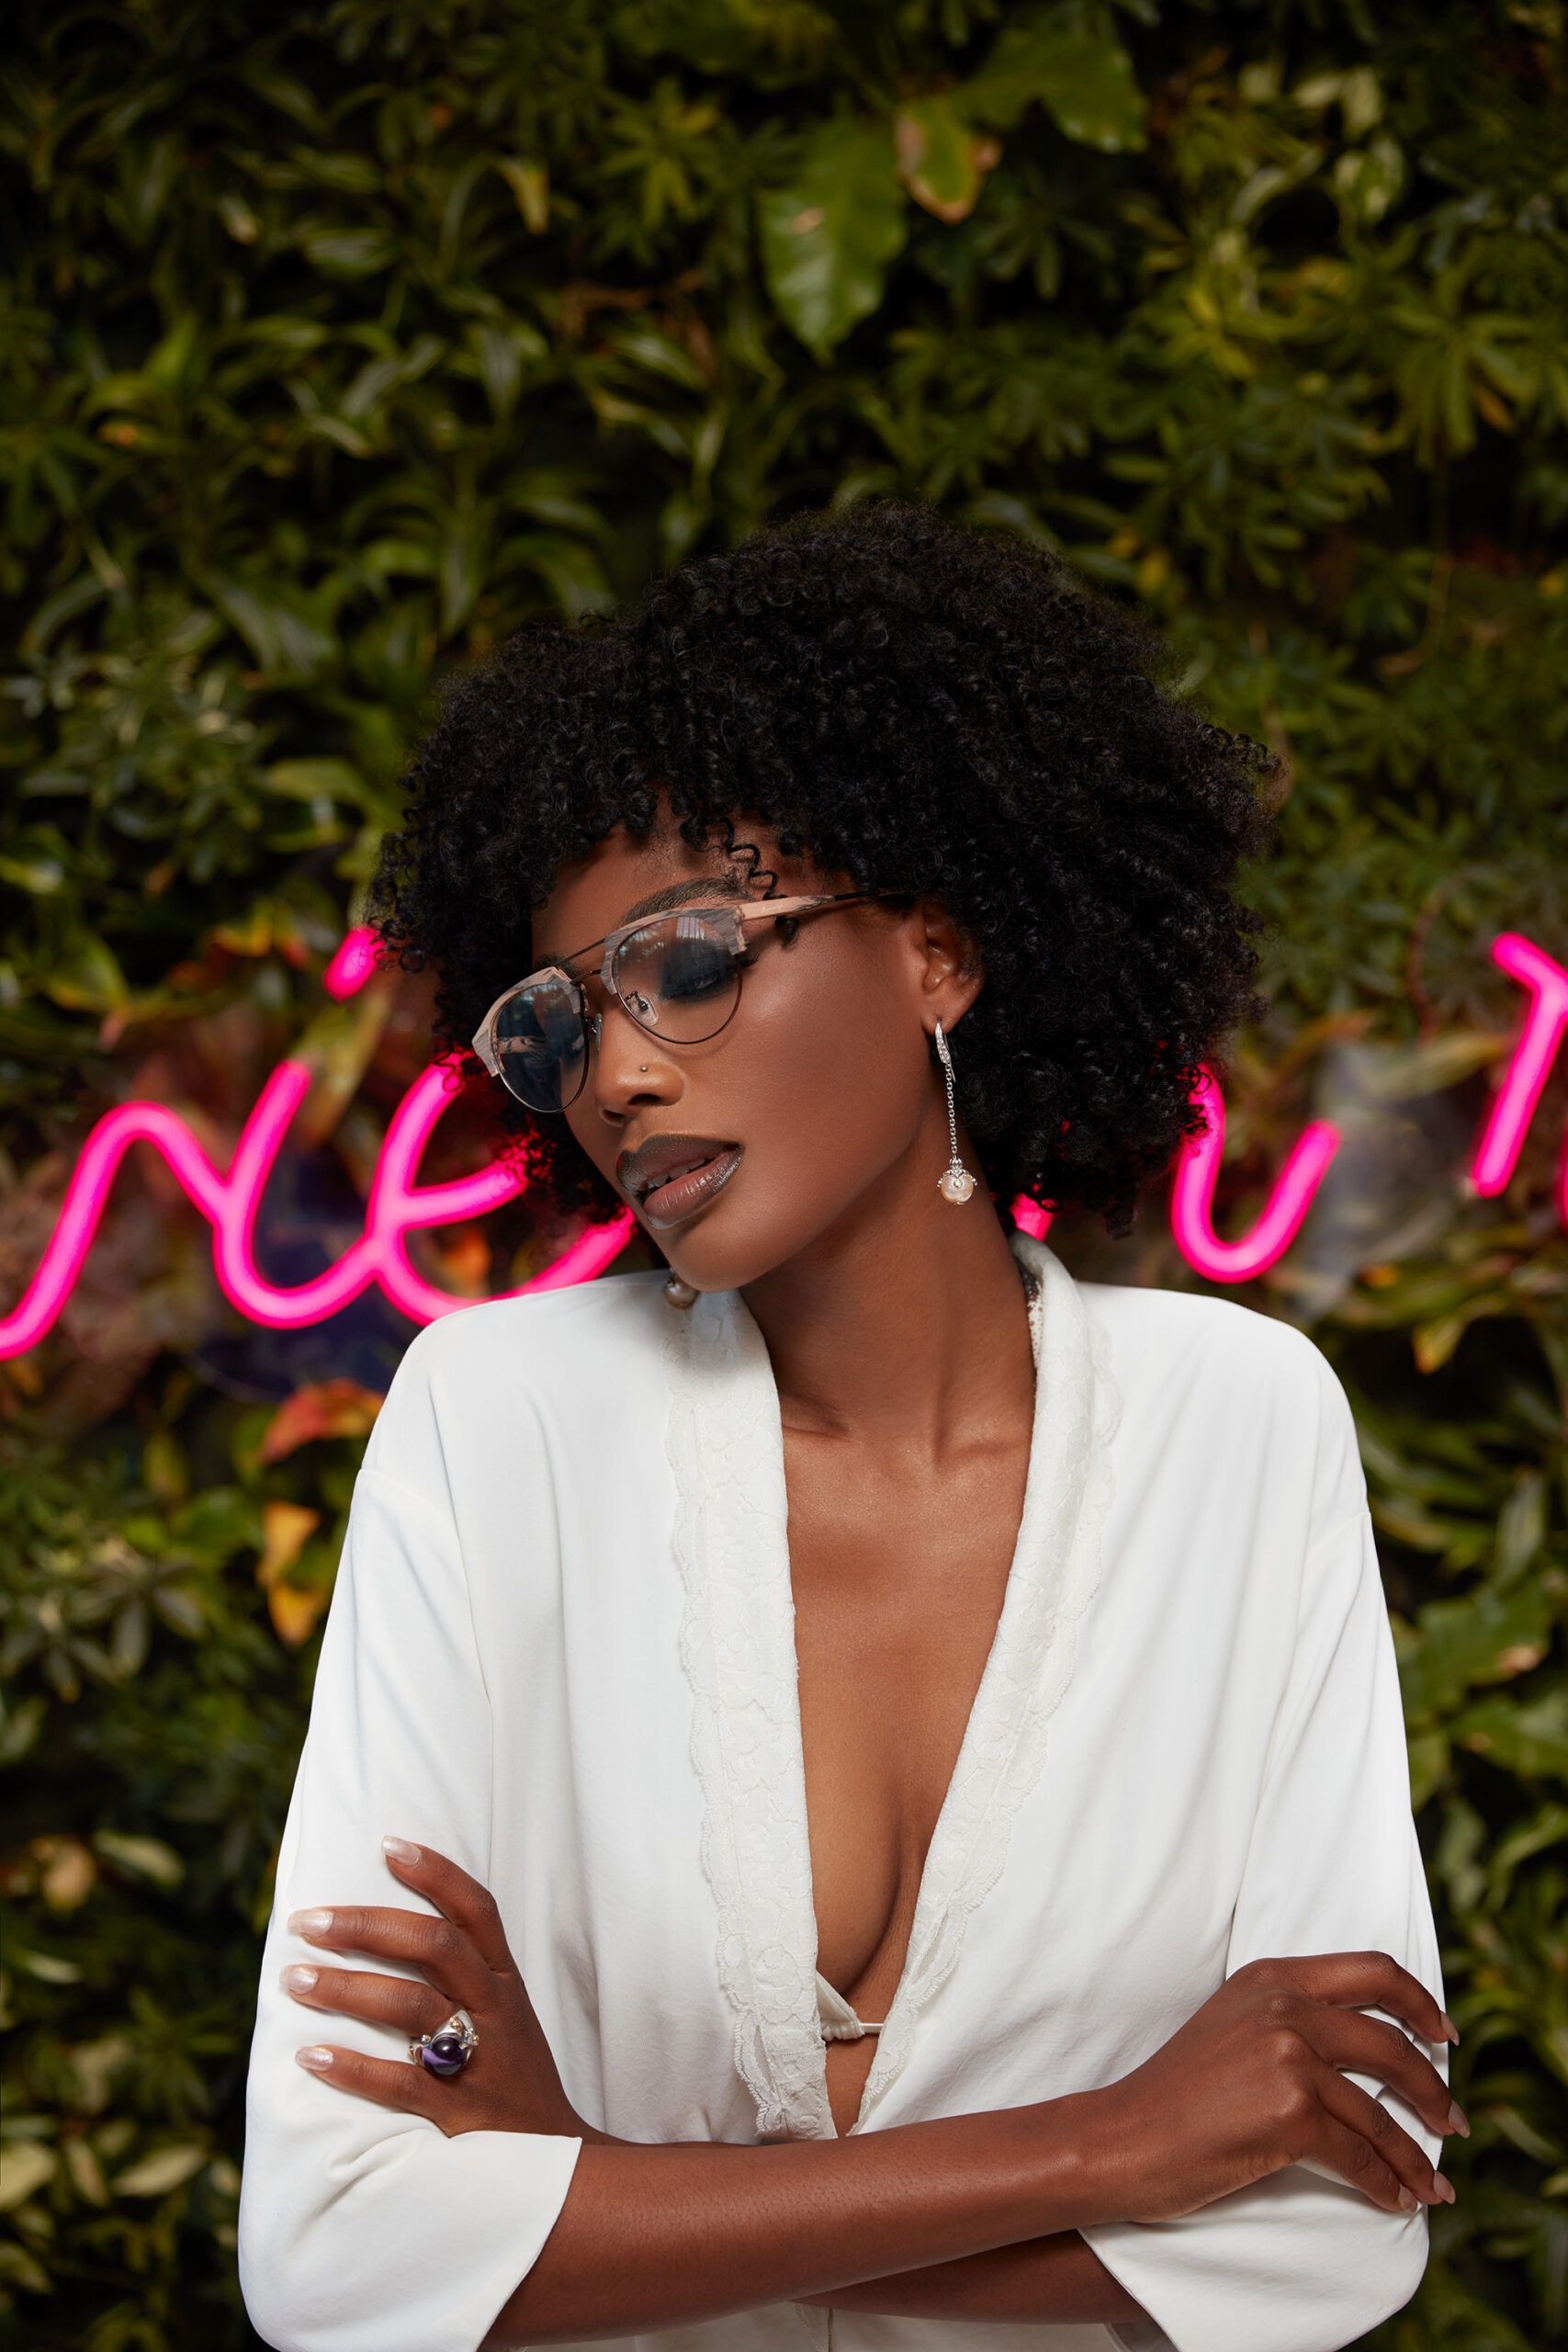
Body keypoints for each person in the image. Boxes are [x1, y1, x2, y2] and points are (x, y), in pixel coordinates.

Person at [236, 500, 1461, 2352]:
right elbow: (335, 2249)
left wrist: (588, 2181)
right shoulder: (500, 1429)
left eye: (689, 962)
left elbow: (1333, 2230)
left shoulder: (1239, 1426)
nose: (616, 1072)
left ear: (937, 952)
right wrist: (1115, 2145)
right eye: (557, 1027)